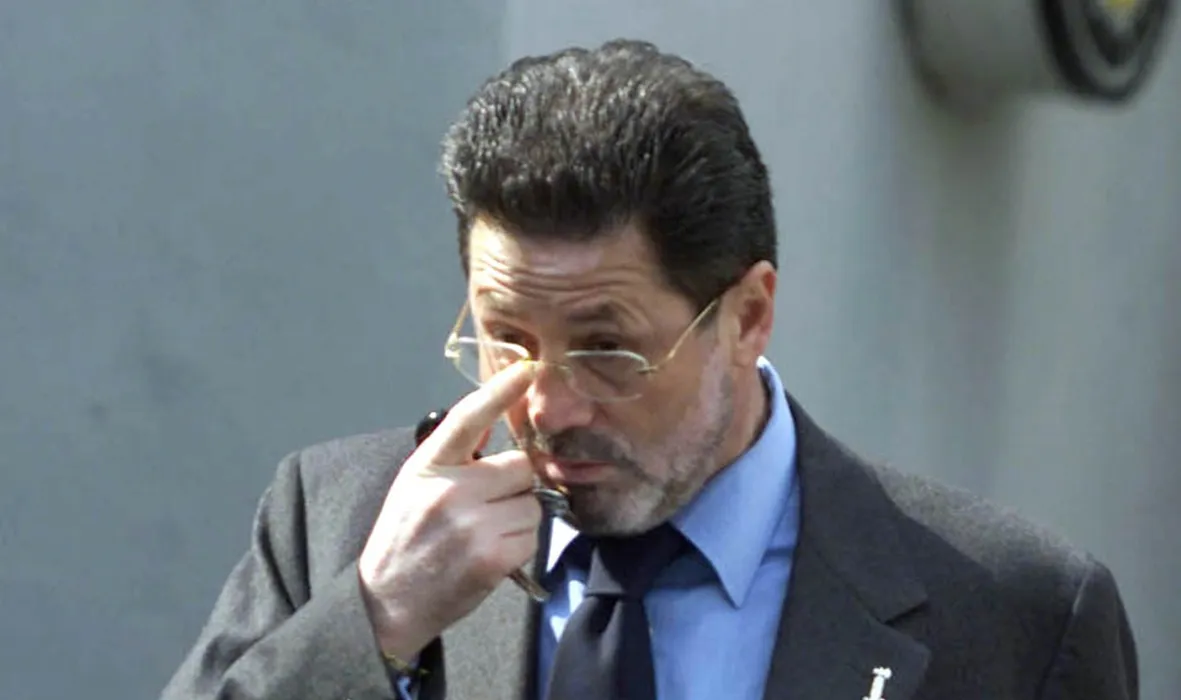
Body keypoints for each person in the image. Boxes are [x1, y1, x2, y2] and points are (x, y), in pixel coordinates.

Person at [161, 39, 1138, 700]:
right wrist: (373, 622)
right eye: (505, 338)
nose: (546, 405)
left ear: (747, 316)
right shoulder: (336, 526)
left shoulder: (1015, 614)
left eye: (606, 347)